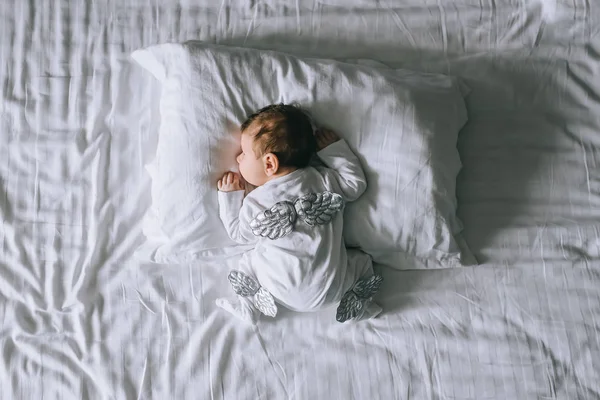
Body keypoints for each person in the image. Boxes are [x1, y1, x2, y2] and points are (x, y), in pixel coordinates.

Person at [216, 103, 382, 324]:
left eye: (244, 154)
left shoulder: (257, 201)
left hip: (277, 290)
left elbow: (239, 234)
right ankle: (358, 307)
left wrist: (229, 196)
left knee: (248, 261)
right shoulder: (323, 180)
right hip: (332, 290)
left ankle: (249, 307)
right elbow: (355, 183)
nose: (238, 158)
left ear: (270, 163)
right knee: (362, 262)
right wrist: (334, 150)